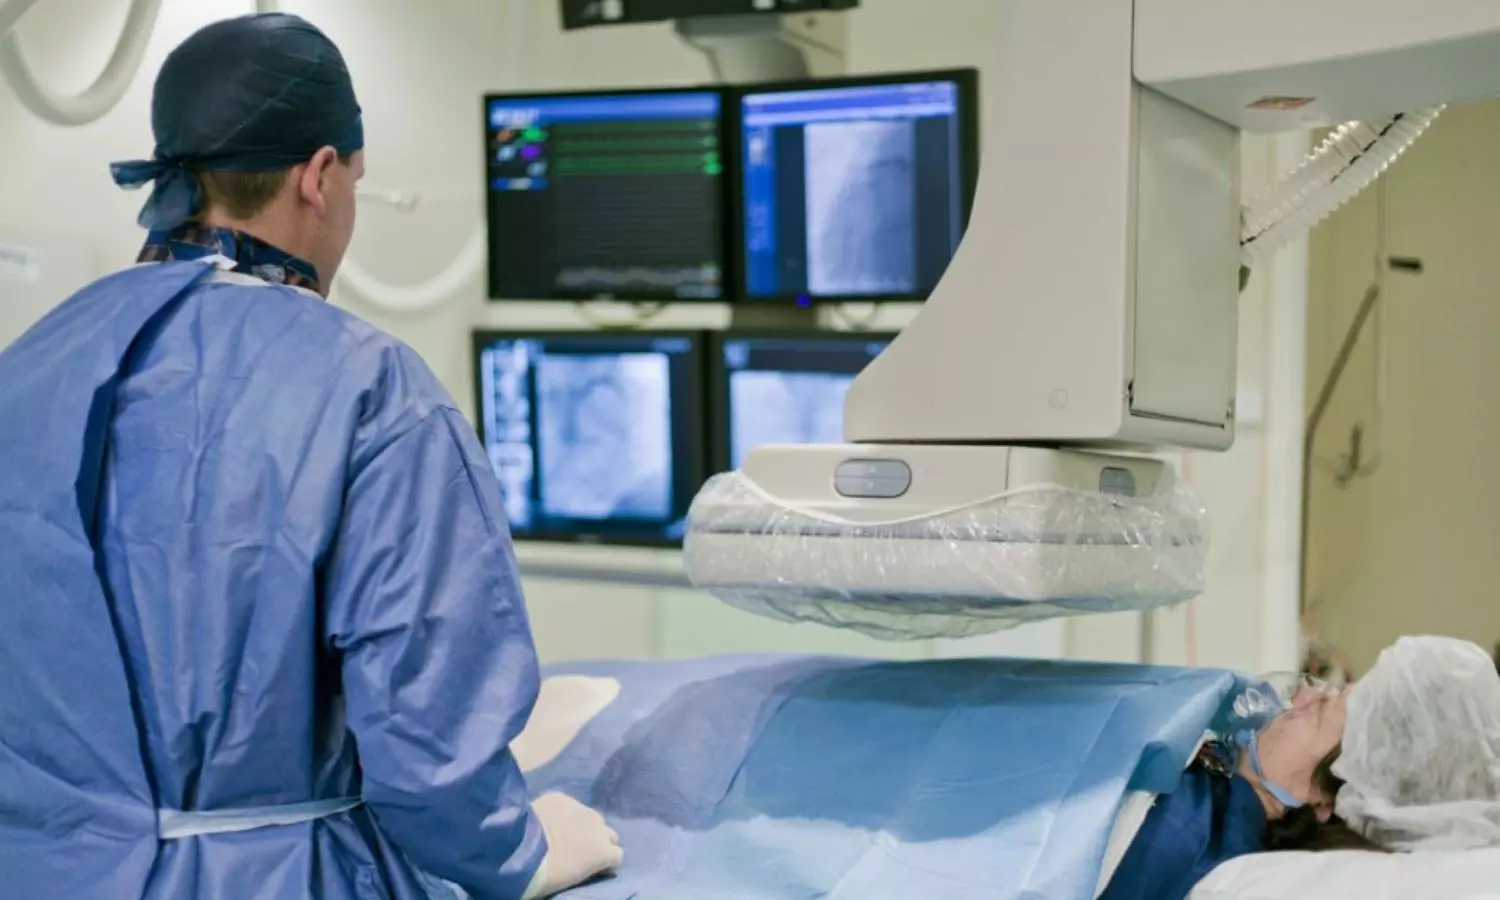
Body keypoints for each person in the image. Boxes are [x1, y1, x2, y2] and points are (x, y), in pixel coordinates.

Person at [0, 13, 620, 900]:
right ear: (319, 176)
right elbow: (430, 749)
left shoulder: (32, 363)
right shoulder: (370, 388)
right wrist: (521, 854)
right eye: (354, 182)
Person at [1103, 634, 1500, 900]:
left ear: (1325, 801)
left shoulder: (1183, 839)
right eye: (1330, 689)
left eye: (1323, 709)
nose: (1305, 694)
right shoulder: (1211, 789)